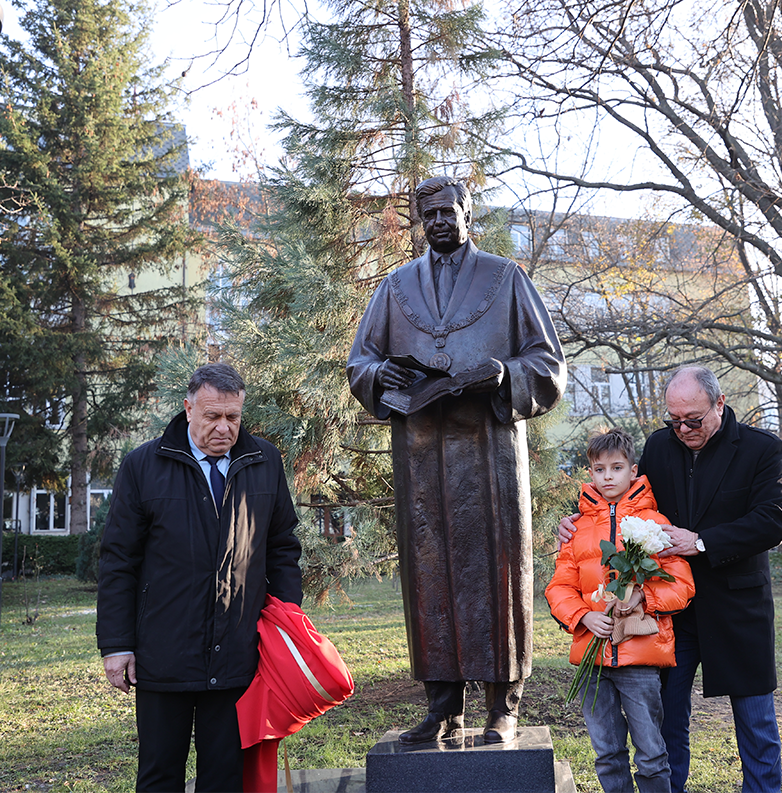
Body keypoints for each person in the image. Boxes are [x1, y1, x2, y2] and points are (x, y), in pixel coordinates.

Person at [347, 175, 566, 744]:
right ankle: (443, 705)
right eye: (429, 215)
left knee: (497, 574)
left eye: (448, 211)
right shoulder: (395, 288)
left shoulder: (506, 278)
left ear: (467, 212)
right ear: (420, 222)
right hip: (422, 456)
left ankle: (503, 706)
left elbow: (548, 364)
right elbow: (361, 363)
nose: (439, 221)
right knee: (430, 577)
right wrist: (380, 375)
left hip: (489, 451)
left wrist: (505, 373)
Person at [559, 366, 782, 793]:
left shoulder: (761, 449)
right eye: (674, 420)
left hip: (738, 607)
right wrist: (579, 521)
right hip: (667, 612)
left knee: (755, 722)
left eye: (693, 420)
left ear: (719, 404)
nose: (683, 429)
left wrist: (701, 541)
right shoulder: (660, 446)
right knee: (666, 721)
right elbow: (628, 498)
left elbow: (771, 521)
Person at [97, 362, 302, 793]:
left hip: (237, 655)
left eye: (233, 417)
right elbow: (119, 560)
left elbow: (282, 547)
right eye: (212, 416)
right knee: (159, 775)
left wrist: (287, 625)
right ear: (188, 409)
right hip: (163, 654)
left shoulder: (264, 461)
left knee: (225, 778)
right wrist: (117, 645)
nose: (224, 428)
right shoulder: (142, 465)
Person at [546, 428, 695, 793]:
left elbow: (682, 585)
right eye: (599, 469)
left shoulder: (654, 524)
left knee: (650, 754)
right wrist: (583, 616)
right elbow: (559, 587)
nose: (608, 477)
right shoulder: (577, 529)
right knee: (607, 753)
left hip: (640, 661)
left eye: (616, 468)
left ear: (633, 470)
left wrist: (643, 599)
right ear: (591, 473)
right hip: (592, 662)